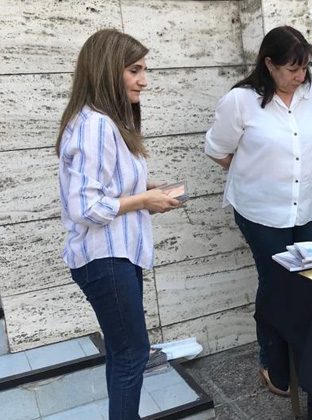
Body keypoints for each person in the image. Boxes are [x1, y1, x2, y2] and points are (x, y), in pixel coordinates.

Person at [56, 29, 181, 419]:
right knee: (133, 354)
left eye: (144, 69)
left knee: (124, 352)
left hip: (115, 256)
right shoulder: (95, 124)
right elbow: (86, 206)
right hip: (105, 257)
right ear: (108, 70)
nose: (144, 80)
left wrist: (146, 187)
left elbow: (104, 183)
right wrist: (144, 200)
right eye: (134, 70)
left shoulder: (104, 121)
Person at [204, 26, 312, 397]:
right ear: (268, 64)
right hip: (260, 212)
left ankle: (302, 357)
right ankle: (273, 363)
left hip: (306, 206)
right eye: (291, 68)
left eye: (303, 67)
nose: (299, 76)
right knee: (275, 285)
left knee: (305, 284)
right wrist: (253, 173)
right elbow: (217, 148)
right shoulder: (240, 101)